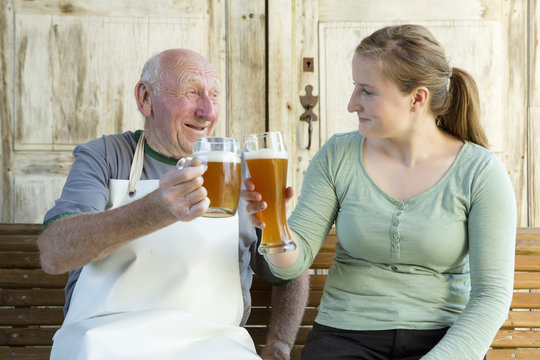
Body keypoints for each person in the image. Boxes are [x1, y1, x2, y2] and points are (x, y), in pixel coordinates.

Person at [242, 24, 517, 360]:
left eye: (367, 91)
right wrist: (274, 225)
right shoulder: (337, 156)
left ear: (417, 98)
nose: (351, 104)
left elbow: (491, 296)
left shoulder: (480, 172)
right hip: (344, 338)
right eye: (355, 88)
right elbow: (289, 267)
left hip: (445, 343)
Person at [38, 48, 309, 360]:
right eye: (191, 92)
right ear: (145, 99)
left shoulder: (241, 171)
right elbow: (54, 254)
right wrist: (153, 210)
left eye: (215, 95)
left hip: (214, 346)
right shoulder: (106, 156)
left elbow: (291, 274)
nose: (208, 112)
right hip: (105, 343)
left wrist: (278, 347)